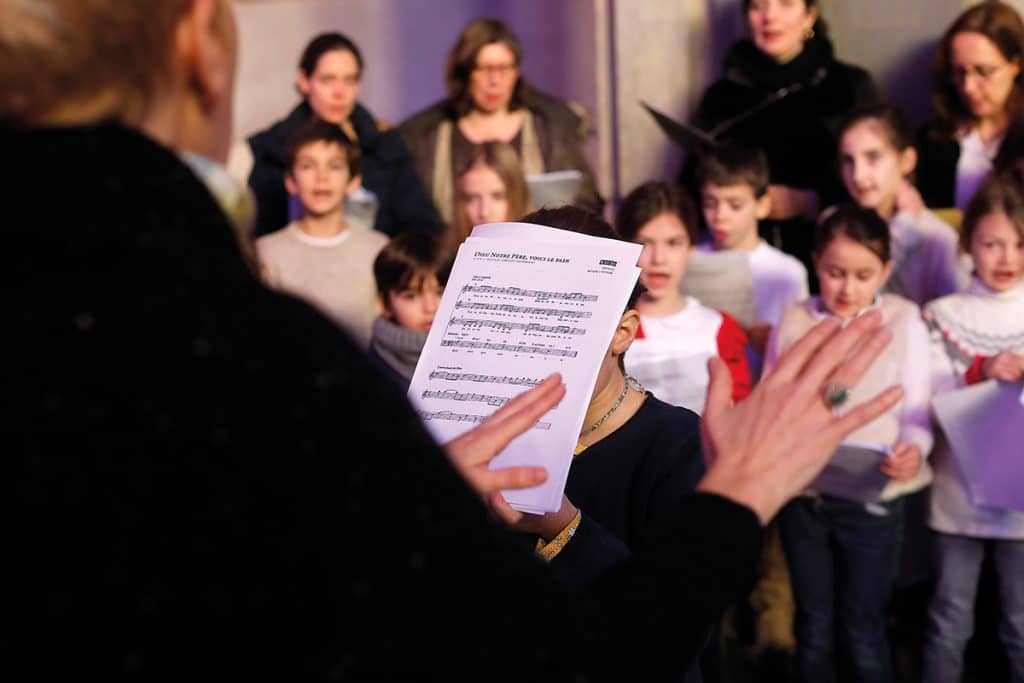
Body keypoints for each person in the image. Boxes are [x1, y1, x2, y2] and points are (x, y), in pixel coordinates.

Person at [5, 1, 910, 680]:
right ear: (202, 45)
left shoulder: (658, 435)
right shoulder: (247, 364)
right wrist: (741, 491)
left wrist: (426, 495)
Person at [505, 205, 710, 683]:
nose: (536, 343)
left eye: (562, 324)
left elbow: (678, 630)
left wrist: (564, 527)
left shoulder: (680, 445)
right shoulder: (482, 434)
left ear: (622, 332)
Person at [767, 203, 934, 683]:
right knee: (814, 625)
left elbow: (917, 412)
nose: (847, 288)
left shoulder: (903, 321)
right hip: (806, 496)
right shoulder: (796, 319)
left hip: (871, 498)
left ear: (885, 270)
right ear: (816, 262)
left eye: (864, 275)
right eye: (835, 272)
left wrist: (914, 450)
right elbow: (775, 404)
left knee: (863, 628)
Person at [681, 0, 879, 290]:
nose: (769, 17)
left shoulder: (849, 87)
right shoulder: (722, 96)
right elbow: (690, 187)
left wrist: (812, 202)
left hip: (827, 267)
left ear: (809, 15)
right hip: (736, 267)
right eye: (757, 7)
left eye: (785, 4)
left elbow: (879, 184)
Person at [921, 174, 1024, 683]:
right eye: (991, 243)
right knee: (947, 622)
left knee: (1021, 625)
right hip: (956, 494)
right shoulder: (942, 315)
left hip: (1022, 505)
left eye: (1020, 244)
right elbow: (929, 395)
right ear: (968, 245)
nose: (1006, 257)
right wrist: (982, 370)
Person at [398, 17, 602, 228]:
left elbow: (586, 202)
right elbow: (413, 215)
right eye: (485, 69)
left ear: (516, 73)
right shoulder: (429, 136)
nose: (495, 81)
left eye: (504, 69)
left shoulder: (547, 128)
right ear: (466, 73)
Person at [244, 31, 439, 237]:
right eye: (327, 80)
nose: (339, 93)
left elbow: (421, 223)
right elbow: (257, 232)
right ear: (304, 81)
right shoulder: (272, 149)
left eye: (349, 80)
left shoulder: (385, 146)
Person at [615, 180, 752, 414]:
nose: (659, 259)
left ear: (690, 247)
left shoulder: (719, 328)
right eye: (645, 243)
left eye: (673, 243)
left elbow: (739, 413)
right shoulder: (613, 328)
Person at [255, 118, 388, 349]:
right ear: (291, 180)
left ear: (353, 181)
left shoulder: (378, 249)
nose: (321, 177)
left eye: (334, 166)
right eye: (308, 166)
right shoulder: (265, 253)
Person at [837, 102, 971, 306]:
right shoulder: (835, 226)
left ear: (907, 161)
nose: (858, 175)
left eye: (873, 157)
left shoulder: (940, 241)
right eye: (848, 160)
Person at [697, 141, 810, 380]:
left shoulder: (787, 272)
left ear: (763, 205)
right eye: (710, 203)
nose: (720, 216)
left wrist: (773, 342)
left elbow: (801, 351)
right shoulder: (689, 259)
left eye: (735, 205)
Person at [916, 1, 1024, 212]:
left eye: (983, 71)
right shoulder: (934, 137)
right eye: (960, 72)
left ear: (1015, 65)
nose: (968, 88)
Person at [368, 230, 452, 388]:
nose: (431, 307)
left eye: (441, 292)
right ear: (384, 304)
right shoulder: (371, 371)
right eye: (411, 296)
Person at [449, 140, 533, 254]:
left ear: (518, 195)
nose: (484, 212)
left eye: (498, 197)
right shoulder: (445, 267)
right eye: (472, 198)